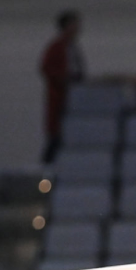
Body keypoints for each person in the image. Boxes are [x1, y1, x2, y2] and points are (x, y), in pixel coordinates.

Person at [39, 11, 85, 163]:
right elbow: (46, 68)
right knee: (56, 137)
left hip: (73, 98)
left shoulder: (73, 47)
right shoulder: (57, 47)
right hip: (61, 98)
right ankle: (45, 175)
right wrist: (63, 80)